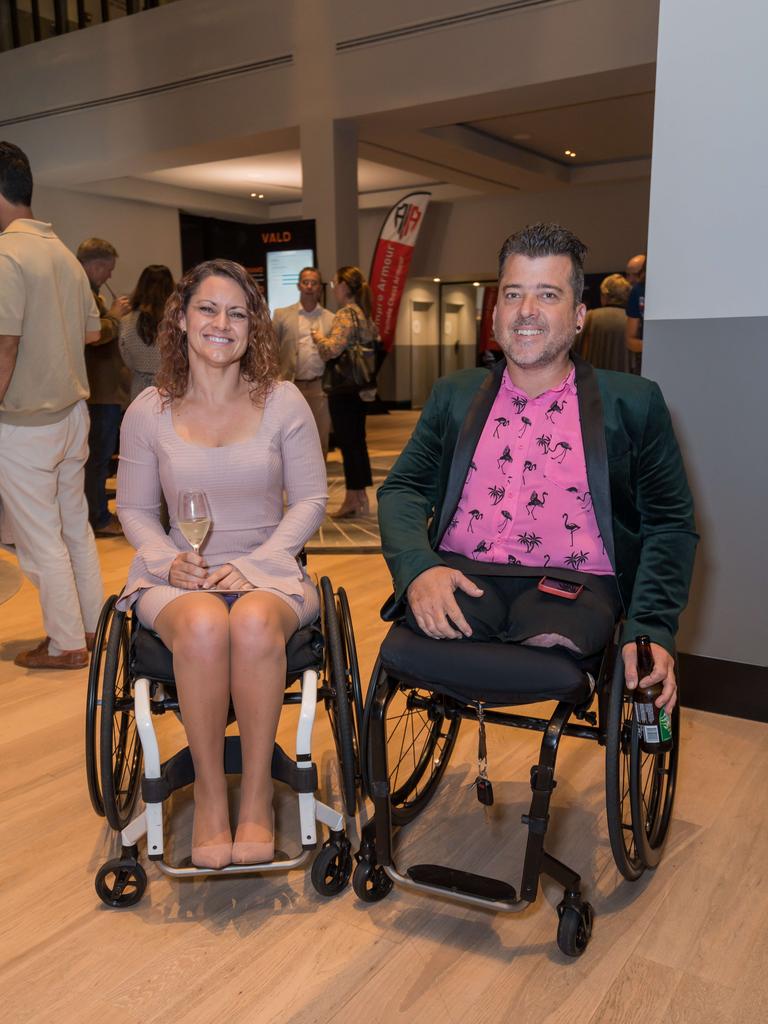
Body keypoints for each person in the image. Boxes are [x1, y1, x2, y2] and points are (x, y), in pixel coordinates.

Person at [378, 224, 697, 715]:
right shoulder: (454, 395)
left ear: (578, 316)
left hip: (575, 586)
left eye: (547, 294)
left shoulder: (632, 403)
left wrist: (651, 626)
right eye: (513, 294)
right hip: (463, 575)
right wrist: (418, 568)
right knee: (411, 644)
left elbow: (669, 523)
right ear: (497, 313)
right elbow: (403, 489)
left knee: (560, 640)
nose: (526, 311)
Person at [116, 258, 327, 868]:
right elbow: (132, 509)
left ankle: (256, 794)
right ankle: (211, 794)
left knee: (254, 621)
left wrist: (261, 563)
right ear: (181, 319)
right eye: (207, 308)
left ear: (253, 327)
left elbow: (311, 498)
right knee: (206, 621)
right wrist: (166, 559)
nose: (221, 323)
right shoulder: (147, 411)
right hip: (176, 573)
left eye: (238, 313)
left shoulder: (283, 402)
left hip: (269, 565)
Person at [0, 141, 104, 670]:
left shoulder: (6, 255)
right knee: (75, 529)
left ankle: (66, 643)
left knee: (41, 539)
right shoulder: (63, 253)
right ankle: (91, 626)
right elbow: (92, 332)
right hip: (72, 415)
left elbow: (5, 345)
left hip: (25, 422)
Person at [314, 265, 379, 518]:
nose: (333, 289)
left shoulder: (345, 314)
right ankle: (359, 496)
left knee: (348, 444)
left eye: (333, 284)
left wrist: (318, 337)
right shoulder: (363, 313)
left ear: (343, 287)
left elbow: (332, 349)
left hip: (344, 388)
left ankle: (354, 499)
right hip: (359, 390)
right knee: (356, 443)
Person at [78, 237, 130, 537]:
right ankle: (97, 518)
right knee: (97, 459)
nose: (110, 276)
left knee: (97, 458)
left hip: (103, 391)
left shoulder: (91, 293)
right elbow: (94, 335)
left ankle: (96, 515)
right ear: (96, 265)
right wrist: (115, 316)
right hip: (99, 391)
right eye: (108, 269)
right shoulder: (86, 295)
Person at [272, 266, 334, 457]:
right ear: (299, 285)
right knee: (287, 439)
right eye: (305, 282)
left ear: (319, 288)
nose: (309, 286)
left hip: (319, 387)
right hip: (290, 385)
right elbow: (271, 349)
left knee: (320, 439)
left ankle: (319, 484)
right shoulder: (282, 315)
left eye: (314, 283)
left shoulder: (330, 319)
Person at [118, 264, 175, 401]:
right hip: (172, 386)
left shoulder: (126, 321)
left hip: (140, 388)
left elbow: (126, 358)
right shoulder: (177, 321)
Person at [575, 272, 631, 372]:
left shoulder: (589, 317)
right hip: (626, 380)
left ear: (605, 295)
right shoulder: (632, 322)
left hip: (592, 379)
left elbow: (572, 349)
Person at [625, 253, 646, 374]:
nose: (629, 280)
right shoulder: (637, 292)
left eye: (635, 274)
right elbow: (630, 340)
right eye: (627, 274)